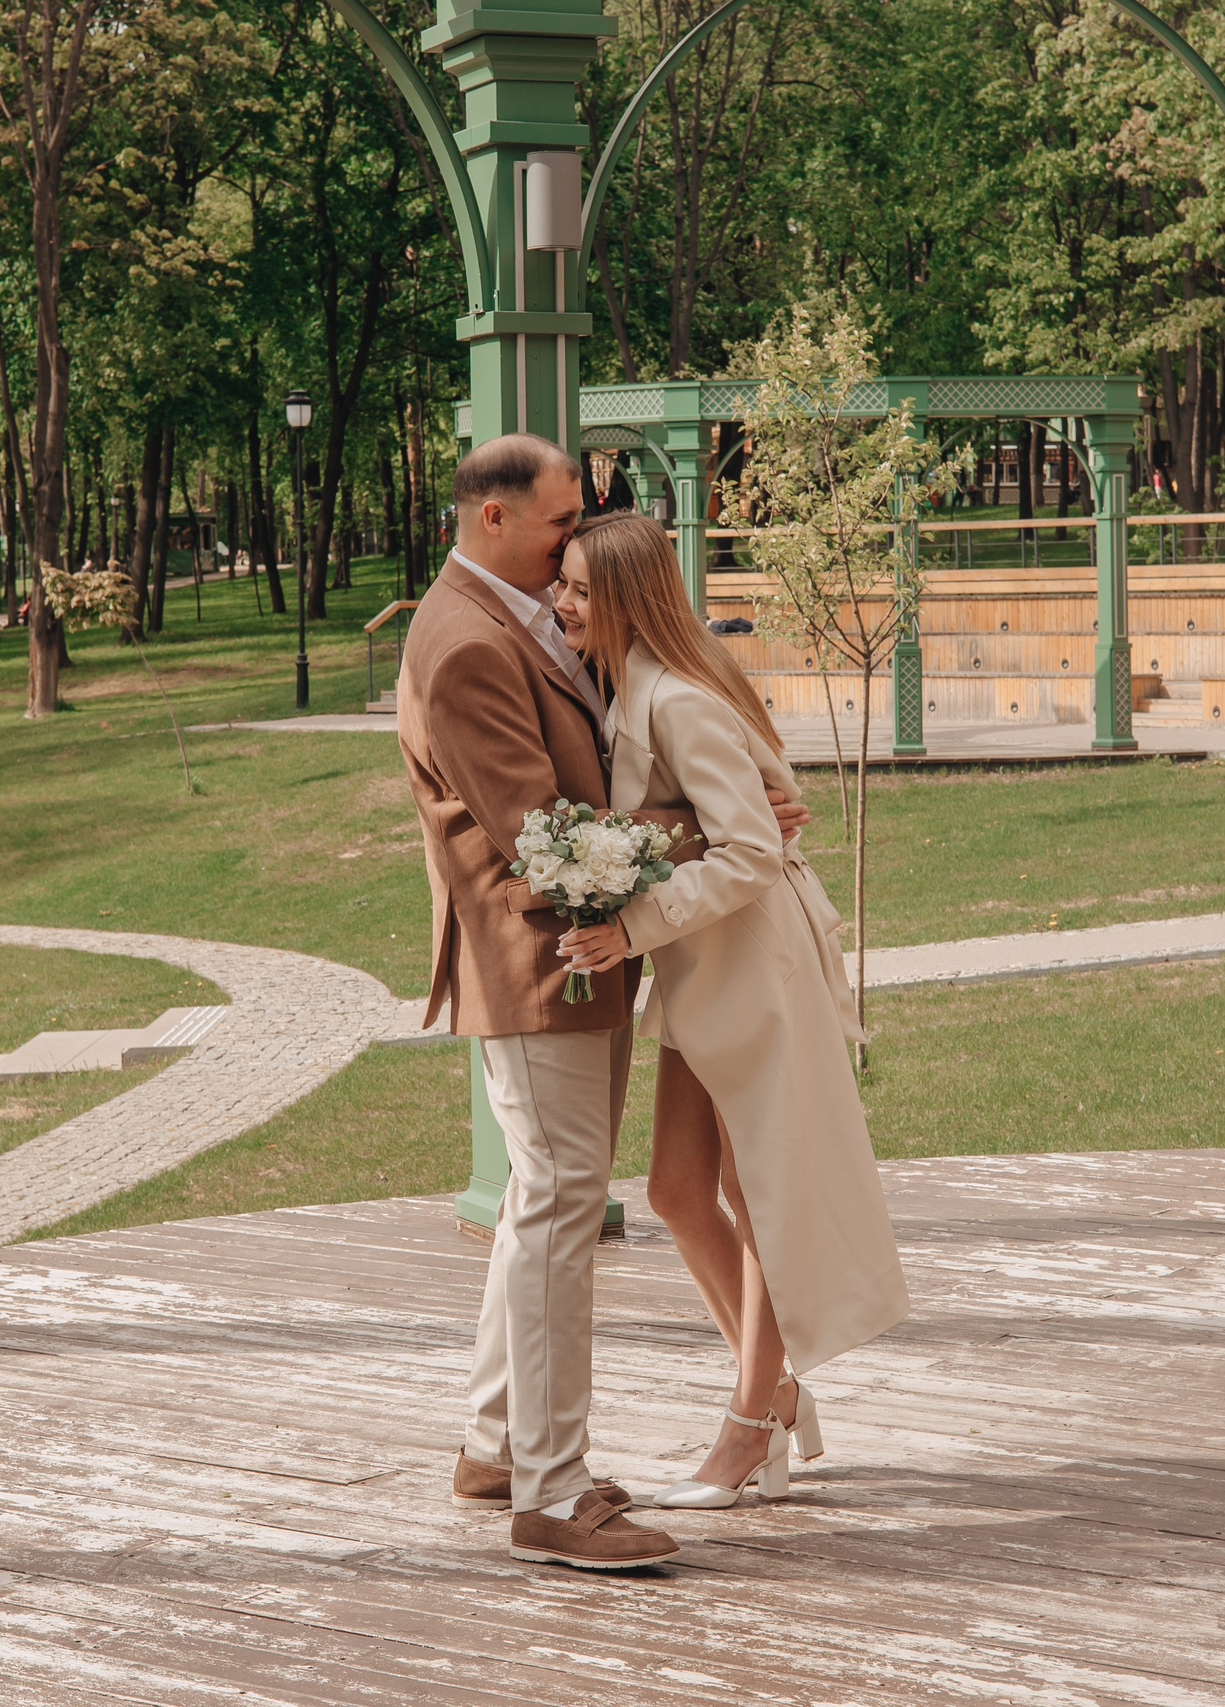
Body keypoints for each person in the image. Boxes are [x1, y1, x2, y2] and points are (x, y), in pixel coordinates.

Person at [396, 433, 810, 1569]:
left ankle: (496, 1448)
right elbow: (546, 837)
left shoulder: (499, 618)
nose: (575, 535)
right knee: (560, 1208)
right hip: (543, 963)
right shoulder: (465, 646)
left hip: (577, 959)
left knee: (545, 1196)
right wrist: (713, 831)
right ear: (492, 521)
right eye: (558, 521)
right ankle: (552, 1492)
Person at [556, 511, 910, 1509]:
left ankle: (749, 1425)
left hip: (753, 967)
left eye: (580, 589)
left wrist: (630, 929)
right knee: (675, 1190)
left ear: (623, 597)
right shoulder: (630, 685)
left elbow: (754, 851)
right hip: (700, 973)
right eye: (562, 585)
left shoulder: (677, 698)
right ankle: (778, 1391)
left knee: (758, 1197)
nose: (563, 604)